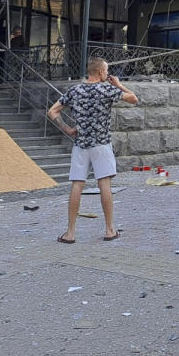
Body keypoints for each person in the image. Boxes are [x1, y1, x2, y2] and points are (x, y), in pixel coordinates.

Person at [47, 57, 138, 243]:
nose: (108, 73)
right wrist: (119, 85)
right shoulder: (107, 89)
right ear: (100, 72)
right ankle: (109, 230)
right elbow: (134, 99)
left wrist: (68, 129)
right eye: (106, 70)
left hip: (81, 144)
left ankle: (70, 233)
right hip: (102, 144)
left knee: (77, 185)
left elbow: (52, 112)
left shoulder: (75, 90)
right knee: (104, 184)